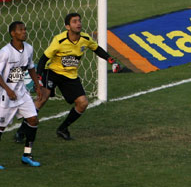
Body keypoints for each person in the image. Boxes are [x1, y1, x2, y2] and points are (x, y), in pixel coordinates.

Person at [14, 13, 121, 143]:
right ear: (67, 26)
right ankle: (21, 131)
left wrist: (111, 60)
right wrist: (39, 77)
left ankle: (63, 129)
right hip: (53, 73)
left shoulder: (85, 39)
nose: (79, 23)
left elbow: (97, 48)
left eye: (79, 21)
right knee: (41, 99)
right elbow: (44, 59)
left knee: (83, 103)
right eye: (75, 21)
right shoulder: (59, 40)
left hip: (70, 76)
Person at [0, 21, 43, 169]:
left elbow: (30, 67)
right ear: (13, 33)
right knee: (1, 127)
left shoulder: (29, 48)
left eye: (25, 29)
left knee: (33, 120)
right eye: (21, 30)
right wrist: (8, 89)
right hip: (6, 95)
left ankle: (27, 155)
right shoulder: (5, 52)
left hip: (22, 93)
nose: (24, 32)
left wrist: (37, 86)